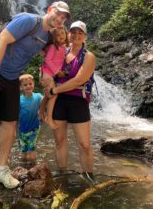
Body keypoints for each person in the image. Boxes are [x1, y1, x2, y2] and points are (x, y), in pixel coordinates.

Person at [0, 1, 70, 193]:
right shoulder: (28, 20)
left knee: (10, 122)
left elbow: (49, 61)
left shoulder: (49, 36)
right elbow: (1, 41)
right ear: (49, 9)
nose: (59, 19)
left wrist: (47, 77)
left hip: (12, 77)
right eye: (58, 13)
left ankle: (1, 169)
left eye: (63, 17)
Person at [45, 21, 96, 183]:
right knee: (60, 142)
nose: (76, 35)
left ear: (85, 36)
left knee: (85, 144)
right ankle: (62, 176)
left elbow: (78, 80)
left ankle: (89, 176)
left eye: (80, 32)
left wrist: (54, 90)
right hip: (59, 101)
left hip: (77, 101)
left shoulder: (88, 56)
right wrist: (46, 83)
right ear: (68, 34)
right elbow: (48, 68)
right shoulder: (61, 51)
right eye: (73, 31)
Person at [39, 26, 68, 129]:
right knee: (53, 94)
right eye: (57, 35)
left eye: (62, 33)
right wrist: (57, 71)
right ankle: (49, 118)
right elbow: (48, 60)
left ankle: (41, 111)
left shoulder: (64, 47)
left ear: (66, 34)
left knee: (48, 94)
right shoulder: (53, 47)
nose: (61, 36)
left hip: (53, 74)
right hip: (47, 73)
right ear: (53, 38)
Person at [19, 74, 42, 161]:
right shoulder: (19, 100)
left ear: (33, 84)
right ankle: (23, 166)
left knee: (31, 149)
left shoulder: (38, 96)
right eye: (25, 85)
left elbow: (45, 105)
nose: (28, 86)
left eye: (30, 83)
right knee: (23, 149)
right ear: (21, 87)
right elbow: (15, 116)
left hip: (34, 129)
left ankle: (33, 166)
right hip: (22, 129)